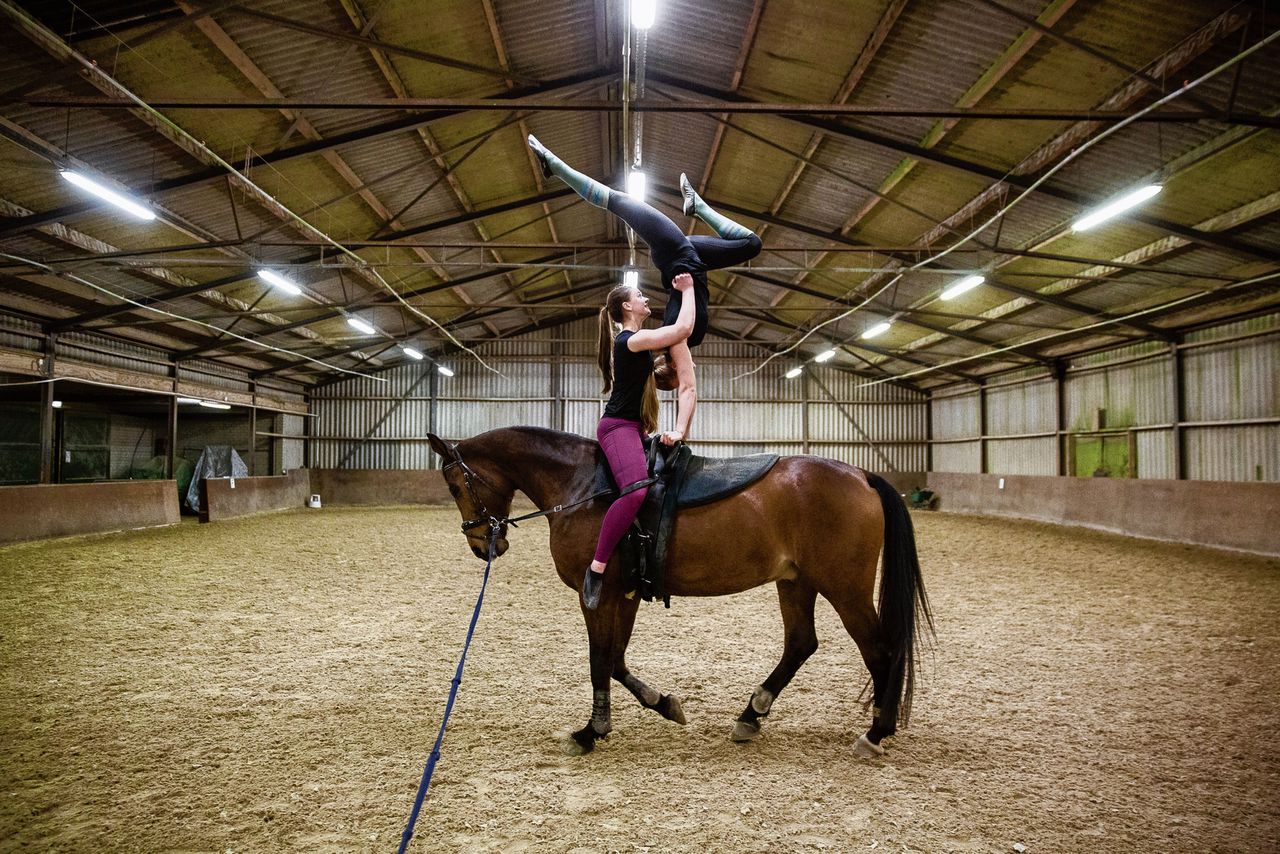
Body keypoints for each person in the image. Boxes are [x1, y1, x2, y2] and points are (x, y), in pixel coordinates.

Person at [527, 134, 763, 443]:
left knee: (620, 202)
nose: (690, 373)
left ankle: (555, 167)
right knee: (750, 244)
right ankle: (697, 208)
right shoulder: (683, 345)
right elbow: (689, 387)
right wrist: (682, 432)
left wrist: (680, 431)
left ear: (674, 371)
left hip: (677, 254)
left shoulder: (676, 343)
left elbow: (689, 390)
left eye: (682, 374)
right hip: (691, 257)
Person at [583, 273, 696, 610]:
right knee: (636, 490)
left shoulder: (639, 343)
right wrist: (688, 290)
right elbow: (681, 329)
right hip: (617, 427)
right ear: (627, 306)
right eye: (641, 296)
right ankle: (597, 568)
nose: (647, 300)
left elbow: (665, 369)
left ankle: (640, 560)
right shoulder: (630, 340)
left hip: (635, 428)